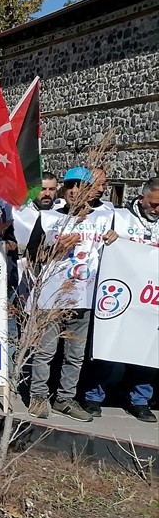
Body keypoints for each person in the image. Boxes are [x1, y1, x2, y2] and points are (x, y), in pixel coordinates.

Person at [24, 167, 116, 421]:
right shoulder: (48, 218)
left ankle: (65, 398)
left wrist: (115, 237)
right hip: (52, 296)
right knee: (46, 350)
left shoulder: (105, 218)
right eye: (71, 186)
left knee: (75, 354)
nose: (76, 192)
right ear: (65, 190)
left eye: (81, 187)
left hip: (85, 296)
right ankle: (38, 395)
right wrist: (53, 249)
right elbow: (31, 256)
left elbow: (117, 250)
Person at [80, 176, 159, 423]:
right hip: (119, 295)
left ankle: (140, 399)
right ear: (141, 197)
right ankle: (94, 395)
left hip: (150, 299)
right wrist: (111, 239)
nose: (157, 209)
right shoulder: (120, 218)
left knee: (149, 351)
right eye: (153, 204)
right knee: (109, 346)